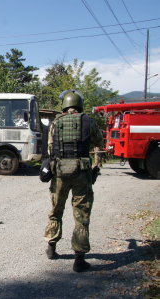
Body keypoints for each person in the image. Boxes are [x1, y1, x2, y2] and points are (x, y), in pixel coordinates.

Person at [44, 90, 103, 273]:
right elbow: (99, 141)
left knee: (56, 209)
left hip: (60, 173)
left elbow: (50, 148)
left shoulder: (56, 122)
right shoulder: (88, 121)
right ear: (79, 104)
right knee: (81, 215)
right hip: (82, 174)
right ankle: (79, 260)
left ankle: (51, 247)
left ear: (64, 105)